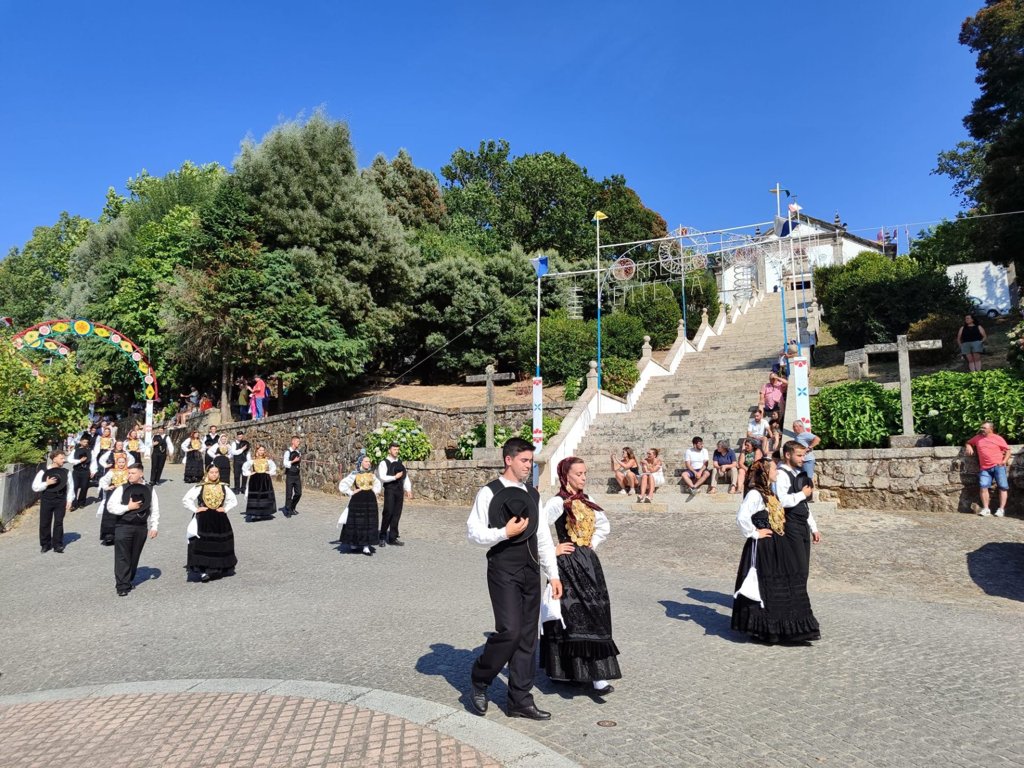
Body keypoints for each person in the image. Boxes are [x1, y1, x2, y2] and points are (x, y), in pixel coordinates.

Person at [466, 437, 561, 720]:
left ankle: (520, 699)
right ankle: (480, 678)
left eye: (530, 462)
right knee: (509, 630)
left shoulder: (533, 495)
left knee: (529, 637)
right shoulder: (489, 492)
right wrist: (503, 533)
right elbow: (473, 532)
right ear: (509, 459)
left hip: (531, 570)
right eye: (524, 461)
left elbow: (543, 537)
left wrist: (552, 574)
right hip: (503, 569)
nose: (528, 466)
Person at [539, 457, 620, 695]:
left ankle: (597, 674)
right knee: (572, 617)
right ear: (566, 476)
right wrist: (554, 549)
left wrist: (591, 543)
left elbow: (604, 526)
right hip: (567, 566)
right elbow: (539, 530)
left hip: (589, 563)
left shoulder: (589, 500)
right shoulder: (557, 502)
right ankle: (571, 672)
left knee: (597, 614)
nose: (583, 477)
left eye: (585, 473)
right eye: (579, 474)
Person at [730, 457, 820, 644]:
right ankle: (764, 627)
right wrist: (755, 533)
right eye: (773, 469)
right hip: (763, 547)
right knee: (764, 585)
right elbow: (742, 517)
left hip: (775, 544)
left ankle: (783, 624)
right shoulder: (755, 494)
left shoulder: (769, 492)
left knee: (780, 583)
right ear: (765, 472)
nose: (777, 472)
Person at [106, 465, 159, 596]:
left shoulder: (150, 489)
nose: (129, 475)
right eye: (128, 473)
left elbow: (154, 509)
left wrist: (154, 526)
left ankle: (128, 579)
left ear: (141, 474)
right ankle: (122, 585)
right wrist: (128, 507)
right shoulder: (122, 488)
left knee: (134, 555)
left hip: (141, 527)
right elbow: (111, 506)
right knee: (122, 556)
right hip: (123, 525)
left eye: (133, 473)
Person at [183, 466, 238, 582]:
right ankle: (203, 570)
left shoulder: (223, 487)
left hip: (219, 518)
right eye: (211, 472)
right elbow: (186, 499)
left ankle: (218, 566)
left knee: (219, 542)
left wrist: (226, 508)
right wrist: (195, 509)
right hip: (204, 518)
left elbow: (233, 500)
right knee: (203, 543)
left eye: (216, 472)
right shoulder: (200, 486)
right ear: (207, 473)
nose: (214, 474)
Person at [966, 421, 1012, 517]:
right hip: (984, 468)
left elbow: (1008, 450)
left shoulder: (998, 438)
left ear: (990, 429)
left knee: (1003, 487)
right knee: (983, 486)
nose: (981, 429)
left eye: (984, 428)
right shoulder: (977, 438)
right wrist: (969, 446)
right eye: (981, 427)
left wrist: (1004, 461)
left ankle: (1001, 509)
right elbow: (968, 442)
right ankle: (986, 509)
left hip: (998, 466)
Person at [32, 450, 75, 553]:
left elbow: (70, 486)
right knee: (45, 522)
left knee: (59, 522)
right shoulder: (43, 471)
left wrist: (69, 500)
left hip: (60, 499)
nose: (63, 460)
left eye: (63, 458)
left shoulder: (66, 472)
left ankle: (58, 544)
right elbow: (35, 487)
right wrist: (46, 483)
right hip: (47, 498)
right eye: (61, 458)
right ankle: (45, 544)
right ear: (54, 458)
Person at [339, 455, 382, 555]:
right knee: (356, 521)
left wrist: (374, 491)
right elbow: (343, 484)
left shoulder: (372, 475)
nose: (368, 463)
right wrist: (351, 492)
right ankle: (354, 543)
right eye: (366, 461)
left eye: (369, 462)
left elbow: (378, 484)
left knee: (368, 521)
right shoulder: (355, 474)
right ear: (361, 462)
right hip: (358, 500)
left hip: (370, 500)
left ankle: (366, 546)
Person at [377, 441, 413, 547]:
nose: (396, 451)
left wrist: (408, 489)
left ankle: (393, 537)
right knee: (388, 512)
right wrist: (394, 477)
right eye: (394, 449)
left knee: (397, 513)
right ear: (389, 450)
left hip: (399, 490)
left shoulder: (400, 462)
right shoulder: (384, 463)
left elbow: (405, 477)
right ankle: (382, 536)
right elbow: (382, 477)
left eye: (397, 449)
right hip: (390, 490)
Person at [97, 454, 131, 545]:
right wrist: (107, 487)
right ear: (116, 462)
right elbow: (103, 480)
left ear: (126, 462)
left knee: (124, 513)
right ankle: (109, 535)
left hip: (125, 493)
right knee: (110, 513)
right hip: (113, 493)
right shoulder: (112, 471)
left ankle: (123, 534)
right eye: (119, 462)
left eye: (123, 462)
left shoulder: (129, 471)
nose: (121, 464)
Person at [241, 445, 277, 521]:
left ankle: (265, 512)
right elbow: (245, 467)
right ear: (257, 451)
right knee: (255, 496)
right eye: (260, 450)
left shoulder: (267, 460)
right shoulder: (253, 460)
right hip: (255, 479)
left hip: (265, 479)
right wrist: (249, 473)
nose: (261, 451)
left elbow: (273, 467)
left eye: (262, 450)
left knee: (264, 495)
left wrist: (269, 472)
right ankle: (254, 512)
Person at [281, 435, 303, 517]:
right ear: (293, 442)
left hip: (297, 476)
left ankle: (292, 507)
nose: (298, 443)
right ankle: (287, 510)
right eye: (297, 441)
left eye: (299, 442)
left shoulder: (298, 452)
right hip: (290, 475)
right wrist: (293, 461)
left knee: (298, 493)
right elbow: (285, 463)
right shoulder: (287, 452)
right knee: (289, 494)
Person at [70, 436, 93, 510]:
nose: (85, 443)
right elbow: (69, 459)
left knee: (84, 487)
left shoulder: (90, 451)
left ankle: (81, 502)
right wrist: (79, 461)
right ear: (80, 442)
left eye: (86, 442)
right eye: (84, 442)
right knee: (74, 487)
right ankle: (73, 504)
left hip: (86, 471)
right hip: (76, 471)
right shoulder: (75, 450)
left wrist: (93, 471)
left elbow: (93, 462)